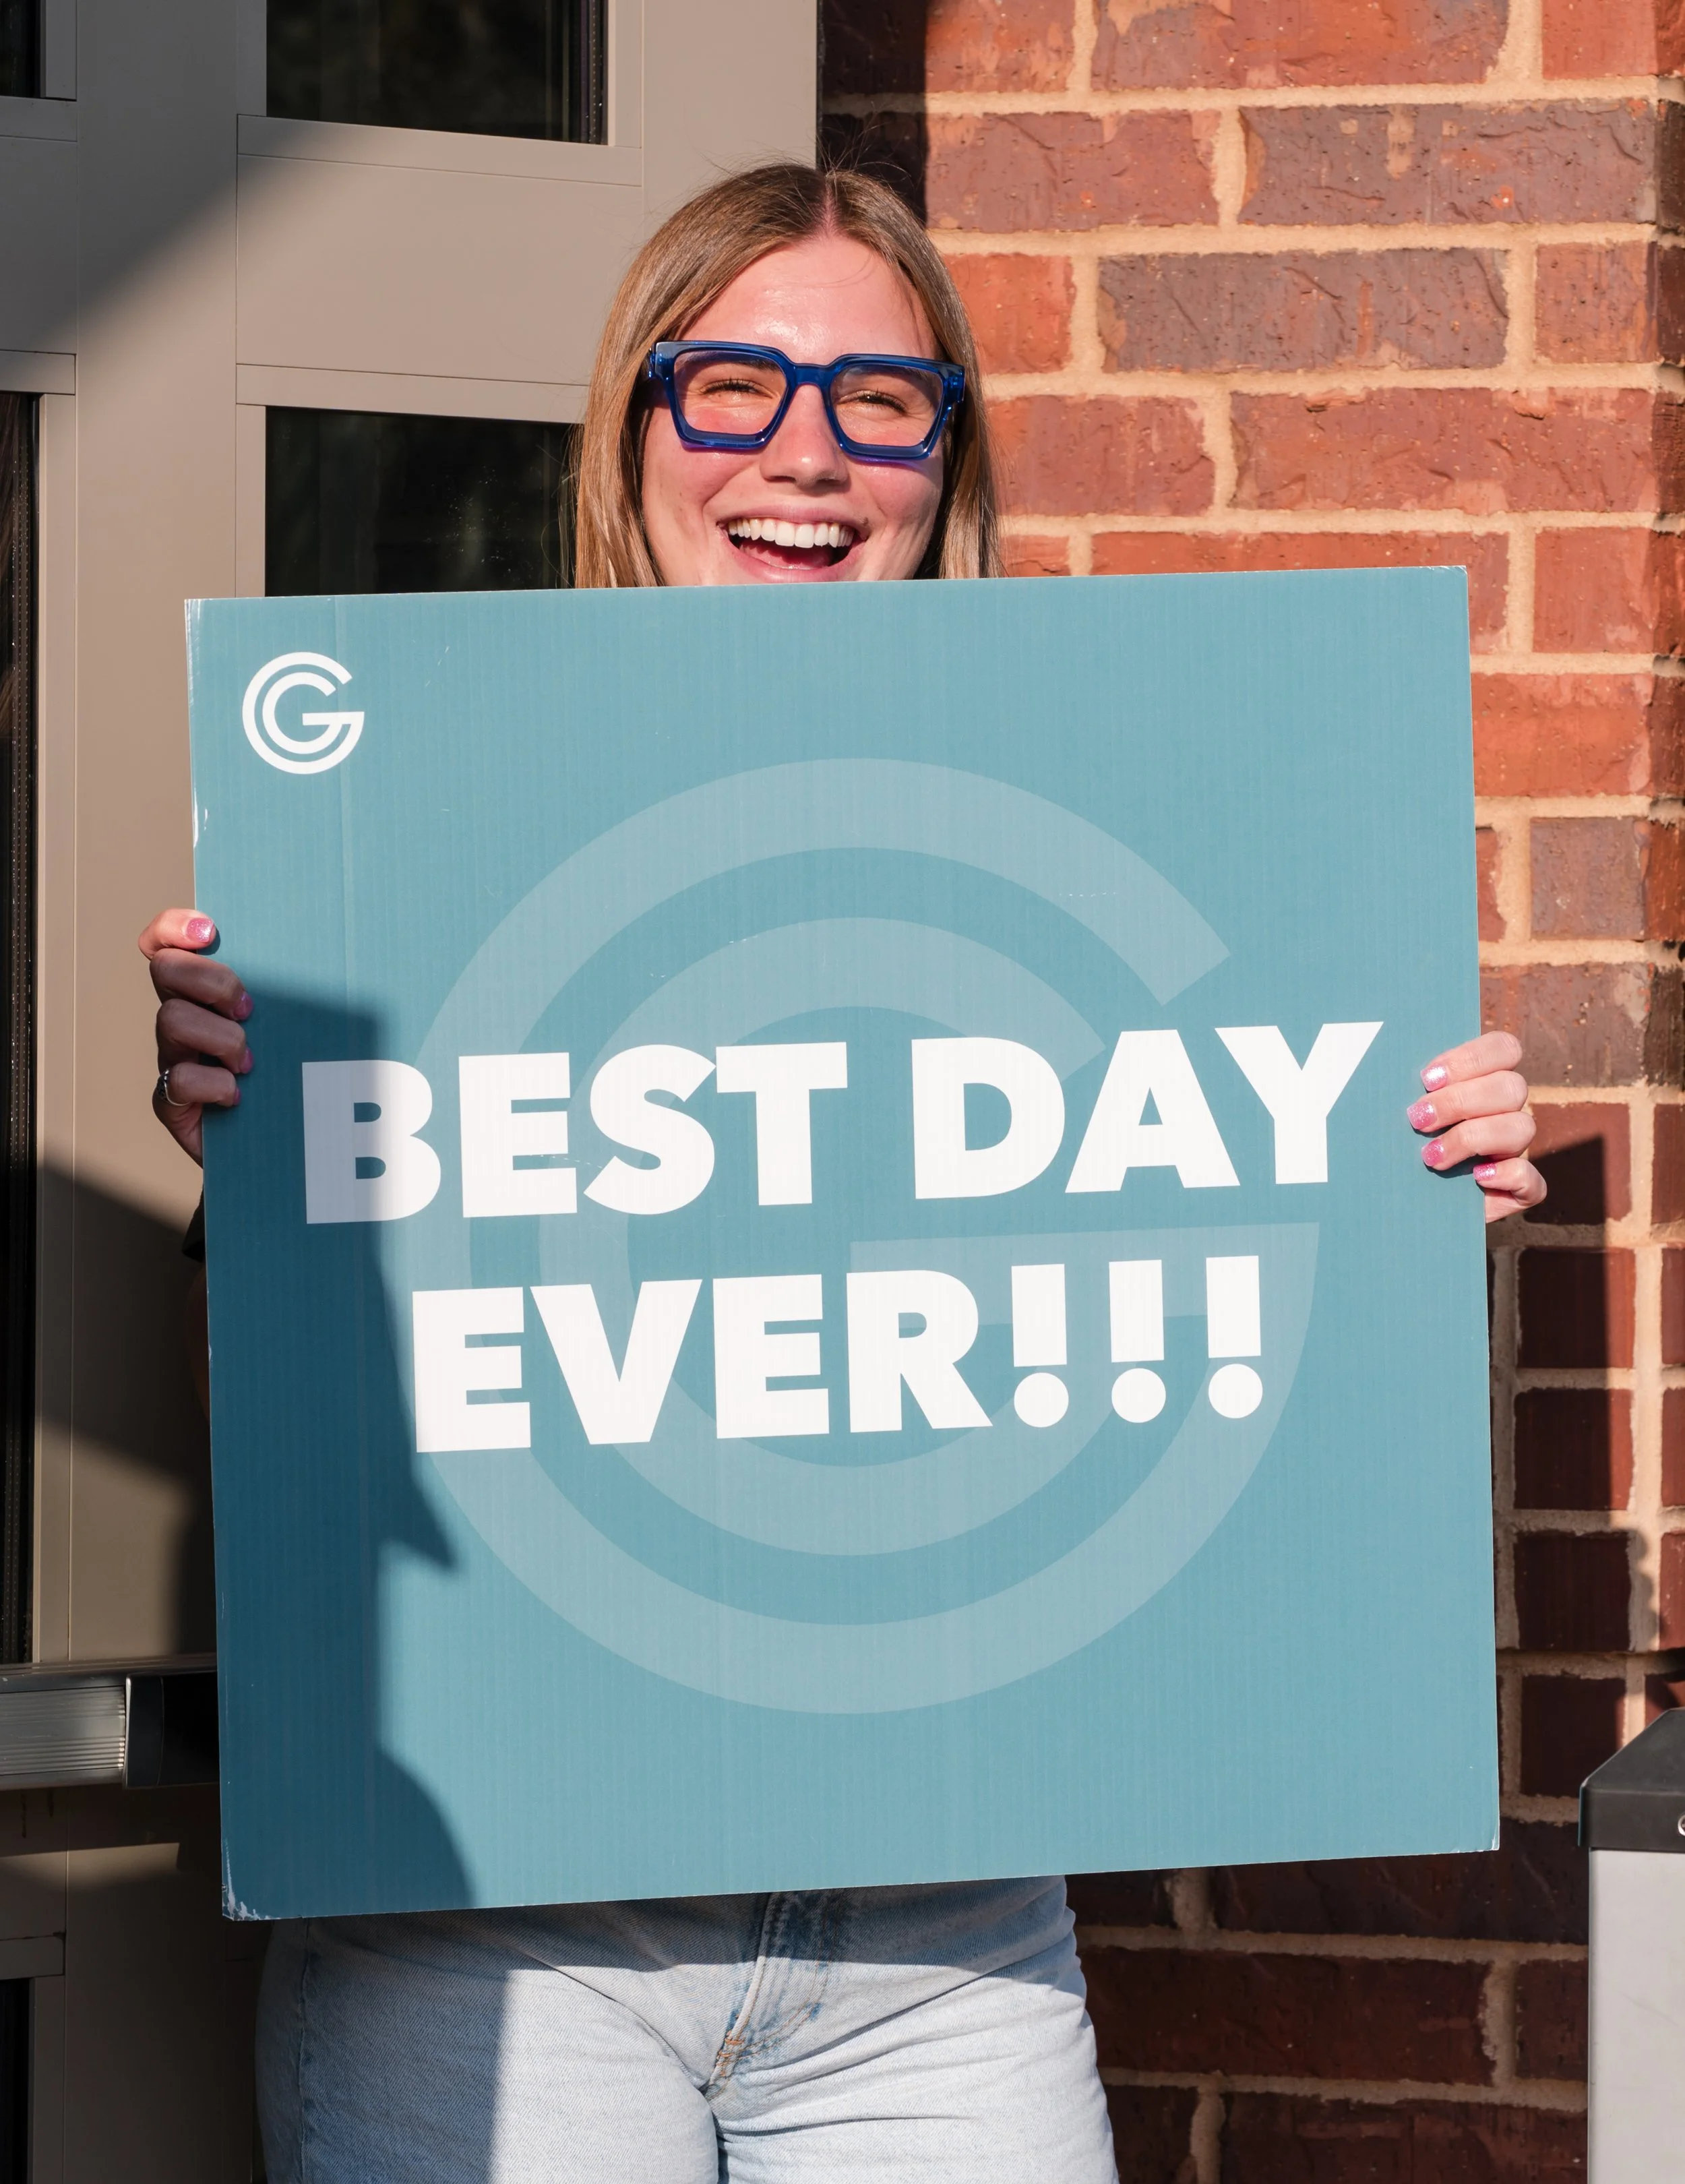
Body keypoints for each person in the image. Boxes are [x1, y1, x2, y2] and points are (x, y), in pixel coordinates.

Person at [137, 164, 1546, 2183]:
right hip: (500, 1946)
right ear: (634, 428)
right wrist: (248, 1156)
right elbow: (321, 1457)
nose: (804, 457)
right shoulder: (425, 831)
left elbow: (1208, 1327)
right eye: (731, 388)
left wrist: (1408, 1193)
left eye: (881, 401)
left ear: (941, 457)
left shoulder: (1097, 820)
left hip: (941, 1945)